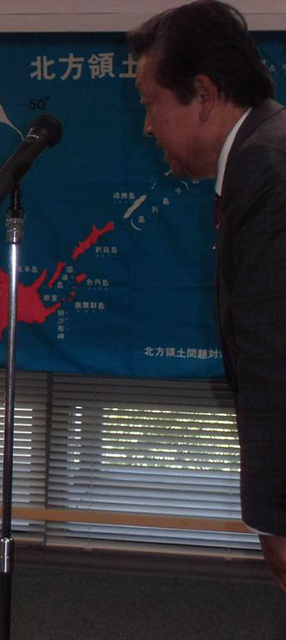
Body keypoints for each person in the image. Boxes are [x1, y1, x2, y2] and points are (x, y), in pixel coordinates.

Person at [129, 0, 286, 592]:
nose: (147, 127)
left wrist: (274, 517)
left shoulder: (267, 167)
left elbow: (275, 355)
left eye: (150, 103)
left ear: (203, 93)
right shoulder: (266, 150)